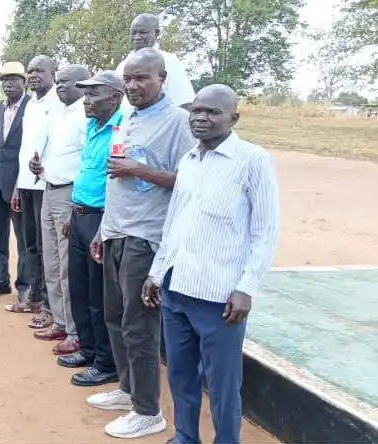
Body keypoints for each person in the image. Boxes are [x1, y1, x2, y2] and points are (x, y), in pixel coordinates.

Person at [146, 84, 279, 444]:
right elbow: (174, 222)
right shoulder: (189, 160)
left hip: (220, 298)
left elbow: (265, 231)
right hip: (176, 288)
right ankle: (185, 437)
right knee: (180, 375)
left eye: (212, 112)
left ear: (233, 118)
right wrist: (156, 273)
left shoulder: (252, 160)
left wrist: (247, 287)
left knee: (222, 385)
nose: (201, 118)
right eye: (196, 111)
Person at [86, 49, 196, 439]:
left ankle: (148, 411)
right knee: (115, 318)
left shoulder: (177, 122)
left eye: (141, 78)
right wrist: (103, 230)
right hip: (116, 232)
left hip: (146, 237)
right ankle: (128, 389)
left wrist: (139, 169)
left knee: (139, 327)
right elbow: (116, 181)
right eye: (128, 79)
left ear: (162, 79)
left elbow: (191, 180)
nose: (133, 85)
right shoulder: (129, 118)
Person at [55, 71, 122, 386]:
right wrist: (73, 212)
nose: (86, 100)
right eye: (86, 93)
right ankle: (89, 349)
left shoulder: (121, 130)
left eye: (94, 94)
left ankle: (106, 363)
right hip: (80, 215)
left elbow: (117, 186)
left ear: (114, 98)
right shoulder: (93, 127)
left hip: (101, 220)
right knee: (79, 290)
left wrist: (102, 226)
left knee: (99, 295)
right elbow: (86, 174)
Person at [29, 64, 90, 356]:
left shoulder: (85, 115)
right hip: (49, 189)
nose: (60, 86)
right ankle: (60, 320)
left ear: (82, 85)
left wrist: (76, 201)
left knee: (67, 267)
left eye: (66, 82)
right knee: (51, 262)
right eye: (59, 82)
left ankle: (75, 331)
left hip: (69, 195)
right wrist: (40, 168)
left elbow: (87, 161)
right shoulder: (61, 113)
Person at [13, 55, 61, 320]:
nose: (33, 76)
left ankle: (49, 305)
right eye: (30, 71)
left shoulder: (59, 102)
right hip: (26, 184)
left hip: (47, 185)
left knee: (46, 247)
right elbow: (26, 148)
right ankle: (33, 296)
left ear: (53, 72)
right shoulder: (31, 104)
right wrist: (17, 186)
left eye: (39, 71)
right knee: (29, 243)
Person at [0, 62, 29, 300]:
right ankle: (0, 282)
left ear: (24, 82)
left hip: (21, 185)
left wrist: (22, 183)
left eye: (14, 80)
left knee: (24, 240)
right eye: (5, 80)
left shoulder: (33, 108)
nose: (9, 84)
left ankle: (25, 287)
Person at [115, 13, 195, 116]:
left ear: (156, 33)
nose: (137, 37)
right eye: (133, 33)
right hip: (127, 123)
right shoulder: (122, 65)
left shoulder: (169, 61)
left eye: (142, 32)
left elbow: (184, 102)